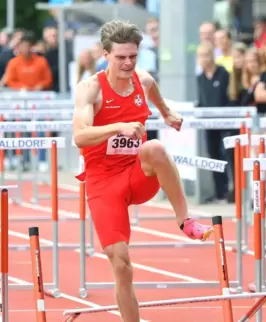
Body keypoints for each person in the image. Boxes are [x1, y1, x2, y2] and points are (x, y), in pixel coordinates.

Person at [72, 20, 214, 322]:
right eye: (121, 57)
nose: (127, 63)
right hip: (103, 182)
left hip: (137, 174)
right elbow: (79, 136)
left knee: (155, 149)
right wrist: (116, 127)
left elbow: (153, 92)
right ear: (106, 55)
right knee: (121, 263)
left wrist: (166, 113)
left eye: (132, 57)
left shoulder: (143, 80)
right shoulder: (91, 89)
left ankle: (184, 220)